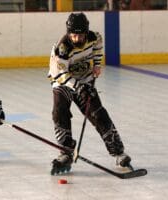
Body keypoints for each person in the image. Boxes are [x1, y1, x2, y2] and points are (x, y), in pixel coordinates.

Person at [48, 13, 131, 174]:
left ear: (86, 32)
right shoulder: (62, 48)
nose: (77, 38)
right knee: (59, 112)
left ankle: (118, 152)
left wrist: (97, 66)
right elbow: (61, 75)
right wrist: (78, 86)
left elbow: (98, 50)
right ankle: (65, 152)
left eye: (80, 35)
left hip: (85, 79)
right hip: (63, 82)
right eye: (74, 35)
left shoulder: (95, 38)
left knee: (98, 114)